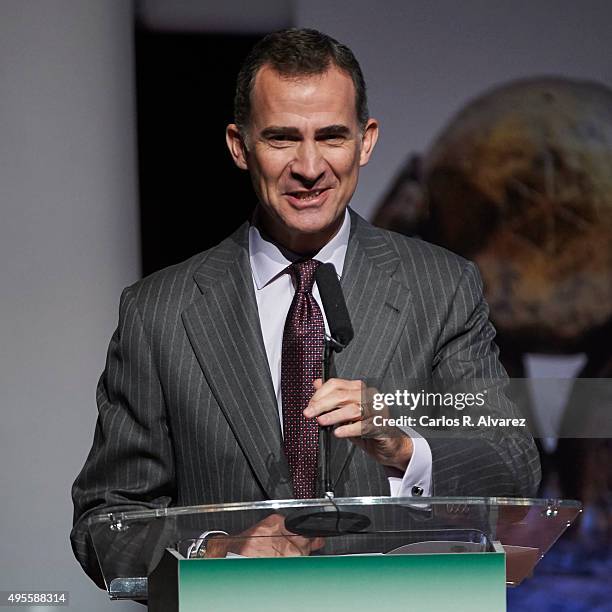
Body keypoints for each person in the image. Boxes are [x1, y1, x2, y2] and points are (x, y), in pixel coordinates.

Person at [71, 28, 540, 584]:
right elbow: (107, 522)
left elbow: (513, 468)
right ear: (239, 146)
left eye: (332, 137)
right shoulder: (159, 312)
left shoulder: (443, 289)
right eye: (282, 138)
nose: (311, 166)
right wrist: (219, 551)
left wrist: (404, 446)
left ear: (366, 141)